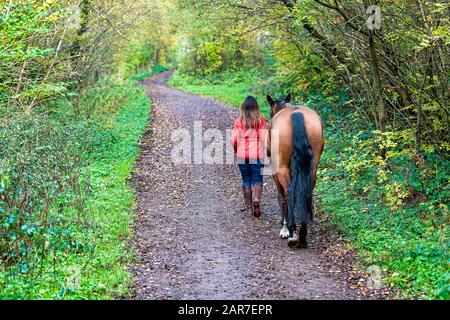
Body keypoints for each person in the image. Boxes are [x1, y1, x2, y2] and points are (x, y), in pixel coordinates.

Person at [230, 96, 267, 217]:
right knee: (257, 179)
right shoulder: (261, 120)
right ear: (256, 108)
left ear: (243, 108)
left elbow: (234, 140)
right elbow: (265, 139)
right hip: (257, 155)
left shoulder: (239, 121)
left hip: (242, 155)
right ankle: (256, 199)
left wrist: (236, 150)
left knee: (246, 179)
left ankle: (249, 206)